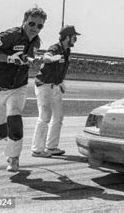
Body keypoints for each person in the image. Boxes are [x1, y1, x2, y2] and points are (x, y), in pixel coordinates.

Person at [0, 7, 47, 171]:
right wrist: (8, 58)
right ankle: (10, 143)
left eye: (39, 26)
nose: (35, 28)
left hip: (18, 88)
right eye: (31, 23)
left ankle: (14, 158)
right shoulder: (11, 35)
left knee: (15, 123)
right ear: (24, 21)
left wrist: (32, 60)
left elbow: (26, 57)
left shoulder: (37, 42)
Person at [31, 25, 81, 158]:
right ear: (67, 37)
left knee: (58, 117)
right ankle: (37, 149)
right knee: (45, 117)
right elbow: (46, 56)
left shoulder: (67, 51)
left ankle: (51, 147)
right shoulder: (55, 48)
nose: (75, 40)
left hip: (56, 86)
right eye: (74, 37)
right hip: (44, 86)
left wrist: (61, 83)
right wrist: (53, 58)